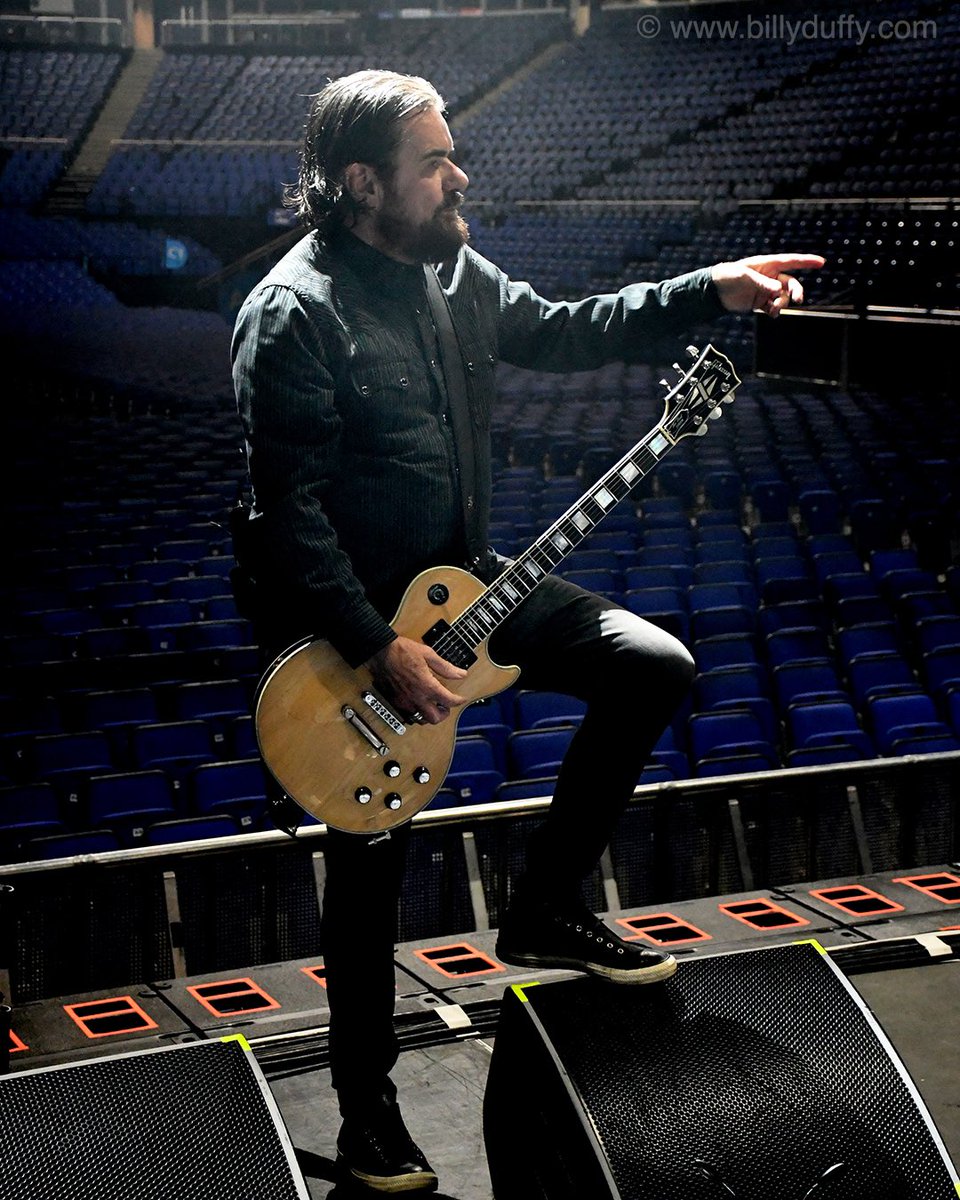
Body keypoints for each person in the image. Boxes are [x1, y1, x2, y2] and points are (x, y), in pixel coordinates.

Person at [231, 68, 824, 1195]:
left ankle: (547, 909)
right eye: (435, 161)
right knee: (372, 870)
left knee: (651, 667)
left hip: (464, 586)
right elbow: (282, 518)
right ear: (362, 182)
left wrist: (716, 289)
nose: (459, 175)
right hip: (347, 633)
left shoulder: (453, 268)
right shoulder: (295, 311)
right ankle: (369, 1118)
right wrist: (375, 640)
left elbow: (565, 329)